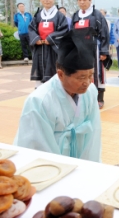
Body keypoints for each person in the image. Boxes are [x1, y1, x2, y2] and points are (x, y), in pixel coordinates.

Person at [15, 27, 102, 163]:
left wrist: (89, 168)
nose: (87, 82)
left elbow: (93, 135)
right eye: (81, 77)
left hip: (81, 161)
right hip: (51, 163)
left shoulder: (90, 92)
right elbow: (38, 147)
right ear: (61, 74)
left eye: (90, 75)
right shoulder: (39, 101)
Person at [72, 0, 110, 109]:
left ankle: (99, 98)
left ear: (90, 0)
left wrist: (104, 51)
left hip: (94, 49)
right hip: (80, 51)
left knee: (96, 74)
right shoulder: (76, 15)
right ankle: (83, 97)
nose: (82, 2)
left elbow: (104, 33)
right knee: (81, 73)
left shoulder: (97, 15)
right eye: (79, 0)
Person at [28, 0, 68, 88]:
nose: (46, 0)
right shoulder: (38, 15)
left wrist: (50, 39)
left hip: (53, 50)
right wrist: (36, 39)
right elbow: (31, 28)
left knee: (55, 74)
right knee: (40, 75)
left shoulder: (59, 16)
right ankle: (40, 98)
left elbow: (64, 30)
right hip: (40, 49)